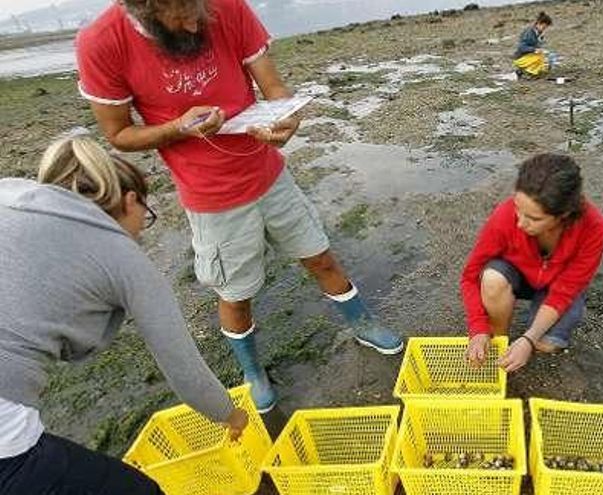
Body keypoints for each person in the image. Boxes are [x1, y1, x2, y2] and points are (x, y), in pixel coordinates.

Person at [75, 0, 404, 414]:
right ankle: (253, 371)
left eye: (201, 8)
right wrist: (179, 127)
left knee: (320, 257)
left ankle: (363, 324)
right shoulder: (101, 43)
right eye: (183, 15)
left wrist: (286, 118)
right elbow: (118, 133)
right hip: (210, 196)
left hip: (268, 173)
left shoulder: (224, 6)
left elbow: (274, 88)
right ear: (144, 8)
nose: (198, 22)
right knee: (236, 294)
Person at [0, 136, 248, 495]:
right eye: (145, 217)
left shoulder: (8, 192)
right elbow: (188, 376)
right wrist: (232, 415)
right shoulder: (120, 253)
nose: (140, 230)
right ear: (131, 201)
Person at [462, 154, 603, 373]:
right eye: (518, 208)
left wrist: (529, 340)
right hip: (517, 274)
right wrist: (478, 328)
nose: (520, 223)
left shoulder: (594, 228)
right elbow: (470, 275)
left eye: (534, 218)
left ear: (563, 215)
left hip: (558, 284)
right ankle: (500, 339)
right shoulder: (505, 215)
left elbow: (564, 292)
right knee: (492, 280)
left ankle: (528, 338)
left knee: (546, 344)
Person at [513, 11, 555, 79]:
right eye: (544, 27)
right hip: (520, 58)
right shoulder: (529, 33)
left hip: (529, 55)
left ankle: (528, 71)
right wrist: (534, 50)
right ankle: (525, 71)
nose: (544, 29)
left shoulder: (538, 33)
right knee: (538, 57)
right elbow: (521, 47)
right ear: (539, 24)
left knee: (545, 57)